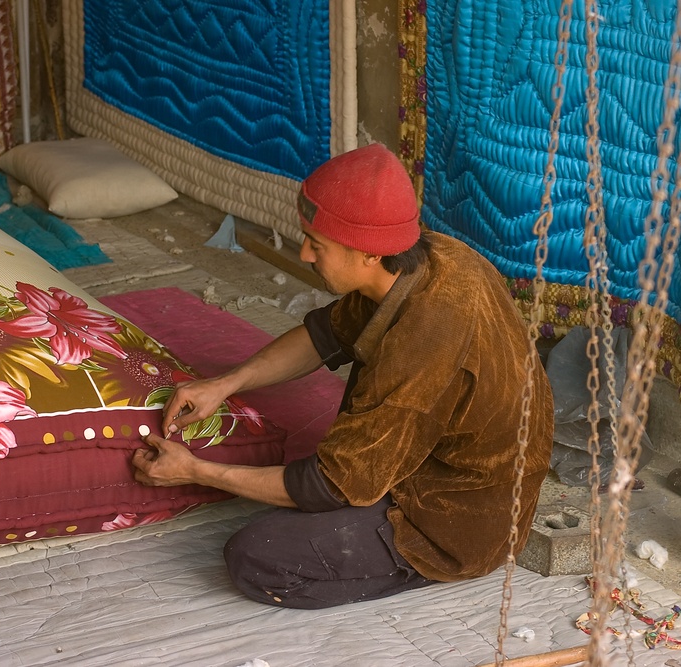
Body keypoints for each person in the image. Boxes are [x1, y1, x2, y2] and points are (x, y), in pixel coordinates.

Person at [131, 142, 554, 610]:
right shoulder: (428, 258)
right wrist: (225, 384)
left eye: (319, 244)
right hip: (425, 462)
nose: (306, 255)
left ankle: (418, 564)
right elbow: (323, 335)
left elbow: (330, 484)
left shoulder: (425, 339)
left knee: (257, 556)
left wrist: (194, 471)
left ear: (370, 253)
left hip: (454, 517)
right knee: (297, 495)